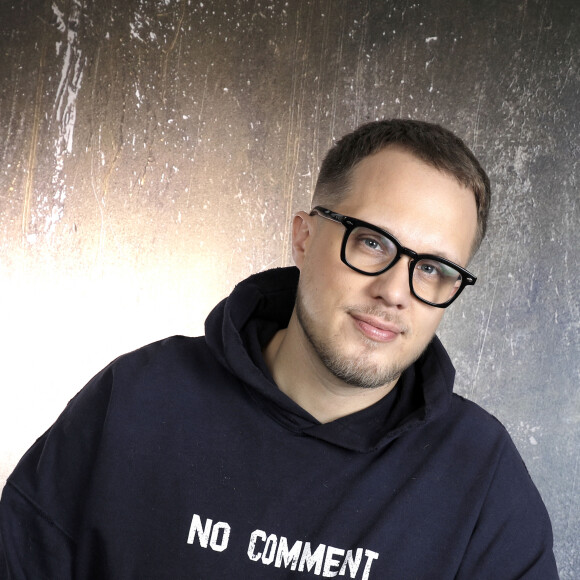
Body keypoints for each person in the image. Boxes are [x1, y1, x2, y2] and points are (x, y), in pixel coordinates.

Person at [0, 119, 558, 579]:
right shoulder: (137, 400)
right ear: (304, 236)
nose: (393, 291)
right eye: (371, 242)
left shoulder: (481, 481)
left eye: (432, 268)